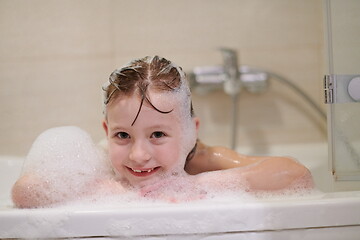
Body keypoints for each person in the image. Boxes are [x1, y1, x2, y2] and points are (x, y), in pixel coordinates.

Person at [12, 56, 314, 208]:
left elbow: (297, 174)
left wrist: (200, 185)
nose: (139, 155)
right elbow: (24, 191)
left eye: (157, 135)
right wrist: (113, 190)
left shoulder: (202, 159)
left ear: (190, 132)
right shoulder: (98, 163)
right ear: (106, 131)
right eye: (122, 136)